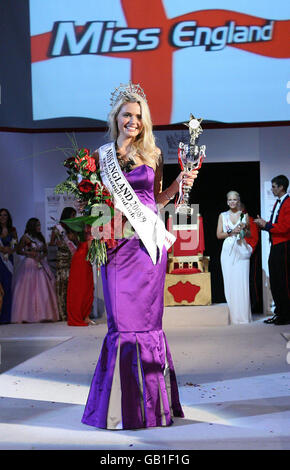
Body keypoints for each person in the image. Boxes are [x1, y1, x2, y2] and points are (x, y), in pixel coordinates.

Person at [81, 83, 198, 430]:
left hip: (148, 248)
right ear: (116, 118)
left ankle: (153, 408)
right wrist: (101, 240)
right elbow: (96, 205)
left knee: (148, 324)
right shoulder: (101, 157)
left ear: (144, 121)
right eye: (126, 115)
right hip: (117, 247)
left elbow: (156, 200)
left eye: (138, 116)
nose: (132, 121)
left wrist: (179, 185)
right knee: (120, 323)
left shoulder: (154, 155)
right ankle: (120, 409)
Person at [254, 175, 290, 325]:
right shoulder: (279, 202)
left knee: (283, 281)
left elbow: (285, 227)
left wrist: (266, 225)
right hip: (275, 245)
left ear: (281, 187)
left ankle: (286, 314)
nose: (272, 189)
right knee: (275, 280)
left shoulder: (288, 203)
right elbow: (276, 225)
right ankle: (280, 312)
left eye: (274, 186)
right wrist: (264, 225)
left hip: (284, 246)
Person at [11, 218, 59, 323]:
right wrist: (28, 253)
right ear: (32, 226)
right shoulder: (25, 237)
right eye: (37, 225)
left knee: (43, 289)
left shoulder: (40, 237)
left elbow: (46, 251)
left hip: (40, 263)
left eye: (39, 225)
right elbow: (18, 250)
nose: (39, 227)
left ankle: (44, 314)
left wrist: (41, 256)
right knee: (28, 290)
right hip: (29, 264)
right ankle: (27, 315)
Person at [216, 191, 252, 324]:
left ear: (238, 201)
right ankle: (232, 317)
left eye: (234, 200)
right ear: (227, 201)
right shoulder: (223, 216)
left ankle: (243, 317)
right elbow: (219, 235)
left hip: (241, 249)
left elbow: (248, 234)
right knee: (230, 283)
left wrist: (244, 229)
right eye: (230, 200)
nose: (232, 202)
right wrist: (231, 232)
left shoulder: (244, 215)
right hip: (227, 251)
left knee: (241, 283)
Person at [49, 207, 78, 321]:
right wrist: (56, 243)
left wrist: (74, 238)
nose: (74, 218)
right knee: (62, 285)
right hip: (62, 258)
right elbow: (51, 244)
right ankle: (62, 313)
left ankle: (71, 312)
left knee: (72, 286)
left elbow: (78, 242)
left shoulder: (74, 228)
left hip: (73, 258)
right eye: (72, 216)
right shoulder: (57, 228)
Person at [66, 237, 94, 327]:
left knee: (85, 289)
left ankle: (86, 316)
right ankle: (82, 316)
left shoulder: (85, 233)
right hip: (81, 260)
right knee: (81, 289)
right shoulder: (80, 232)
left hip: (82, 259)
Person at [0, 208, 18, 323]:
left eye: (5, 215)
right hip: (0, 259)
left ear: (8, 217)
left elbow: (16, 245)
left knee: (7, 288)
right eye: (0, 215)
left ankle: (6, 317)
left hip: (8, 261)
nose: (2, 217)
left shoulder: (13, 230)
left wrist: (10, 250)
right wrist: (2, 249)